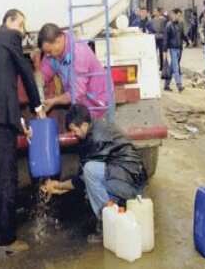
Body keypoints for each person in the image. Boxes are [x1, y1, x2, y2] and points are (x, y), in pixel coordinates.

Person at [0, 9, 45, 255]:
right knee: (7, 177)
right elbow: (25, 72)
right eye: (21, 24)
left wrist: (19, 121)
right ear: (9, 21)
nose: (23, 31)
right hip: (3, 118)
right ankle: (6, 240)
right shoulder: (10, 38)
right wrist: (37, 107)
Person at [42, 104, 147, 243]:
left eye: (74, 130)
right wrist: (61, 187)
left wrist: (59, 185)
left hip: (130, 183)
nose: (73, 134)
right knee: (90, 181)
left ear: (84, 125)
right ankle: (117, 215)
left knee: (90, 171)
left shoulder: (96, 139)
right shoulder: (96, 128)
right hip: (128, 177)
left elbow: (83, 179)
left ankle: (107, 226)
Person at [36, 23, 111, 118]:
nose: (48, 55)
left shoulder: (78, 52)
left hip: (98, 103)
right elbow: (44, 74)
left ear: (58, 40)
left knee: (95, 127)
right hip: (80, 103)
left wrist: (54, 101)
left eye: (49, 51)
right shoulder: (52, 55)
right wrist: (38, 84)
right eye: (46, 53)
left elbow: (76, 93)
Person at [164, 8, 186, 93]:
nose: (179, 17)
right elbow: (166, 39)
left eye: (180, 16)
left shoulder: (180, 24)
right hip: (172, 48)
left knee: (172, 67)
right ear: (174, 14)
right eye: (178, 15)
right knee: (176, 67)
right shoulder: (169, 25)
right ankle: (179, 85)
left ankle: (166, 85)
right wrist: (165, 51)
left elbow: (182, 35)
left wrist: (188, 41)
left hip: (179, 48)